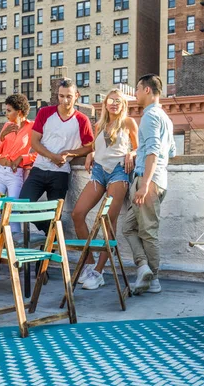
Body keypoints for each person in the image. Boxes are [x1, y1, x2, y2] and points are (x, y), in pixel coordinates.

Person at [71, 89, 138, 290]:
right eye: (111, 100)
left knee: (108, 220)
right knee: (77, 214)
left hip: (118, 172)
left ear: (123, 104)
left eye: (118, 101)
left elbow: (139, 147)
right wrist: (91, 153)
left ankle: (99, 271)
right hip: (98, 172)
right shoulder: (99, 125)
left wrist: (132, 154)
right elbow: (97, 147)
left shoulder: (128, 123)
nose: (114, 104)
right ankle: (90, 263)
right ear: (105, 103)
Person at [19, 78, 94, 233]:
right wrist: (52, 156)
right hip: (39, 169)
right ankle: (53, 229)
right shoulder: (45, 112)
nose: (65, 100)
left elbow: (89, 147)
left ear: (77, 95)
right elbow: (34, 142)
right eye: (61, 96)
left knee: (55, 213)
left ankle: (48, 249)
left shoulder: (82, 120)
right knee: (22, 205)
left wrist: (70, 153)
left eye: (69, 96)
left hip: (61, 173)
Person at [123, 73, 175, 295]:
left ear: (147, 90)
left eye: (136, 88)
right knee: (128, 227)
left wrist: (144, 185)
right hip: (157, 179)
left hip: (148, 180)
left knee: (149, 232)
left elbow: (153, 151)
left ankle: (153, 279)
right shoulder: (165, 118)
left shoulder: (149, 116)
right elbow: (171, 151)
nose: (134, 93)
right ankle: (143, 266)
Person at [0, 94, 36, 232]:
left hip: (15, 173)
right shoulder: (6, 125)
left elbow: (39, 152)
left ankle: (14, 248)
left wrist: (23, 157)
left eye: (9, 111)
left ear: (19, 112)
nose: (6, 114)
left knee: (13, 212)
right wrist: (2, 136)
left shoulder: (32, 127)